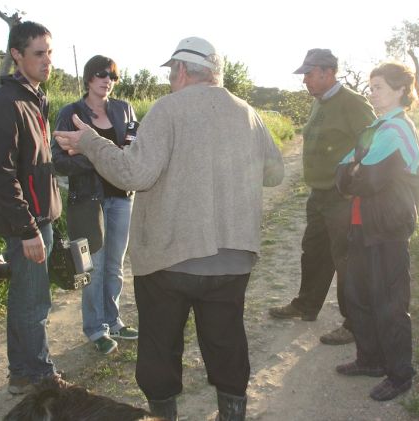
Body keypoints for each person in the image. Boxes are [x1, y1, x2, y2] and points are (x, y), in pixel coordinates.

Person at [54, 36, 284, 421]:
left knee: (160, 349)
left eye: (170, 72)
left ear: (180, 70)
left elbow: (135, 174)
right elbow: (275, 173)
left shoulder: (167, 110)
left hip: (169, 260)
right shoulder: (248, 112)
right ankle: (232, 413)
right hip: (232, 259)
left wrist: (92, 144)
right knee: (226, 342)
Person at [268, 48, 376, 345]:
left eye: (309, 74)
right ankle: (306, 305)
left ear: (328, 73)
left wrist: (351, 179)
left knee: (346, 259)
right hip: (318, 193)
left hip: (341, 196)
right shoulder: (319, 102)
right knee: (313, 251)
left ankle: (354, 323)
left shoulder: (353, 103)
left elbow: (372, 143)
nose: (304, 80)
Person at [0, 21, 64, 394]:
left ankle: (21, 374)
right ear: (17, 55)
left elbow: (32, 163)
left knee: (24, 298)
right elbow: (1, 175)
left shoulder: (35, 97)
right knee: (34, 304)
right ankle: (41, 377)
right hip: (27, 223)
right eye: (39, 53)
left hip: (39, 217)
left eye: (50, 52)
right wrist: (29, 229)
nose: (48, 60)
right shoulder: (6, 103)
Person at [334, 62, 419, 401]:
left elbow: (367, 180)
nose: (372, 92)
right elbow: (341, 175)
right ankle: (369, 360)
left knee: (390, 305)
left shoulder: (397, 130)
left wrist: (355, 169)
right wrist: (353, 169)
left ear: (400, 90)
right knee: (359, 297)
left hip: (388, 230)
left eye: (380, 86)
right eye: (371, 86)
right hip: (362, 226)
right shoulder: (374, 127)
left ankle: (400, 375)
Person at [51, 55, 139, 356]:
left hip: (121, 196)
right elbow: (59, 160)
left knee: (115, 265)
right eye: (102, 74)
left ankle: (114, 321)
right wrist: (96, 158)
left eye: (113, 76)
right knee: (94, 267)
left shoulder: (123, 108)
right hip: (88, 201)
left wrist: (121, 153)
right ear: (89, 78)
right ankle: (95, 329)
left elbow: (132, 147)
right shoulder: (71, 112)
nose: (108, 81)